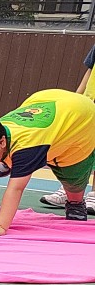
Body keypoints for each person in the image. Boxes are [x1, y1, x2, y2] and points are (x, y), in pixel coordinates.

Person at [0, 88, 95, 235]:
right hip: (47, 98)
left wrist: (0, 225)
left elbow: (16, 188)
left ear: (2, 142)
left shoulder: (27, 147)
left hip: (82, 115)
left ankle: (76, 204)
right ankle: (8, 161)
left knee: (72, 173)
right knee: (1, 160)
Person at [38, 42, 95, 214]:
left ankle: (94, 195)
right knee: (77, 147)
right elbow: (90, 70)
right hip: (88, 104)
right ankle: (70, 189)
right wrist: (76, 97)